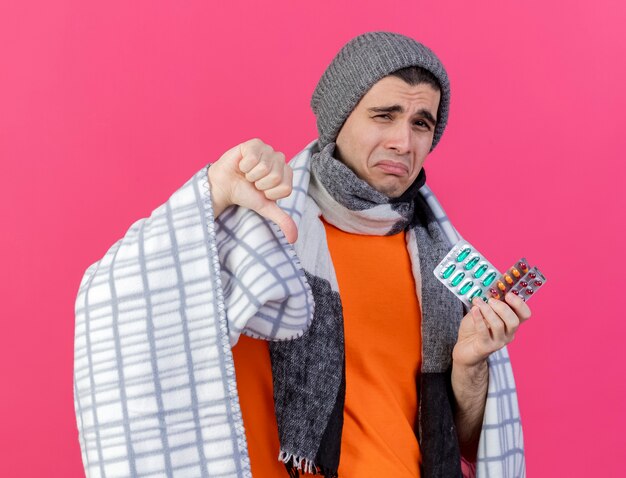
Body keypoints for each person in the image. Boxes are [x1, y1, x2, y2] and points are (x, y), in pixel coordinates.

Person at [73, 32, 528, 478]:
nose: (403, 142)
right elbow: (116, 300)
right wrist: (213, 189)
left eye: (420, 123)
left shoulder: (441, 261)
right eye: (383, 115)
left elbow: (470, 447)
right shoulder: (256, 229)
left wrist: (470, 365)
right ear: (338, 118)